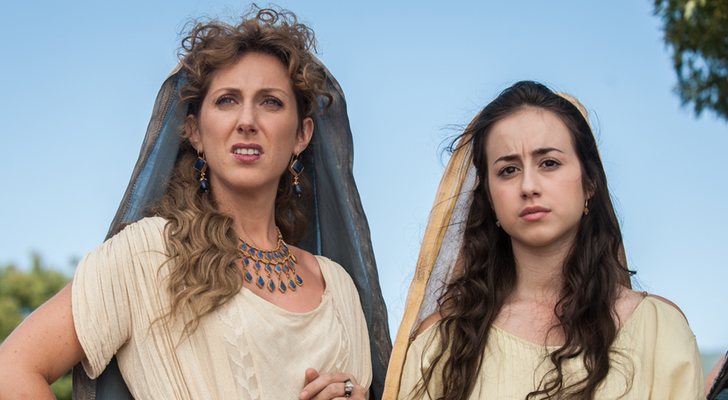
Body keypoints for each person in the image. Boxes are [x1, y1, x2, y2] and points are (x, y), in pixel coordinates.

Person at [0, 6, 391, 400]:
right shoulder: (149, 253)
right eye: (227, 100)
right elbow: (11, 370)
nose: (247, 120)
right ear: (195, 132)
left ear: (301, 135)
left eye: (271, 102)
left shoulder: (338, 287)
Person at [383, 81, 703, 399]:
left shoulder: (658, 331)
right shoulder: (440, 344)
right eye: (508, 170)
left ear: (590, 183)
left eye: (549, 163)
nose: (528, 186)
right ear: (490, 198)